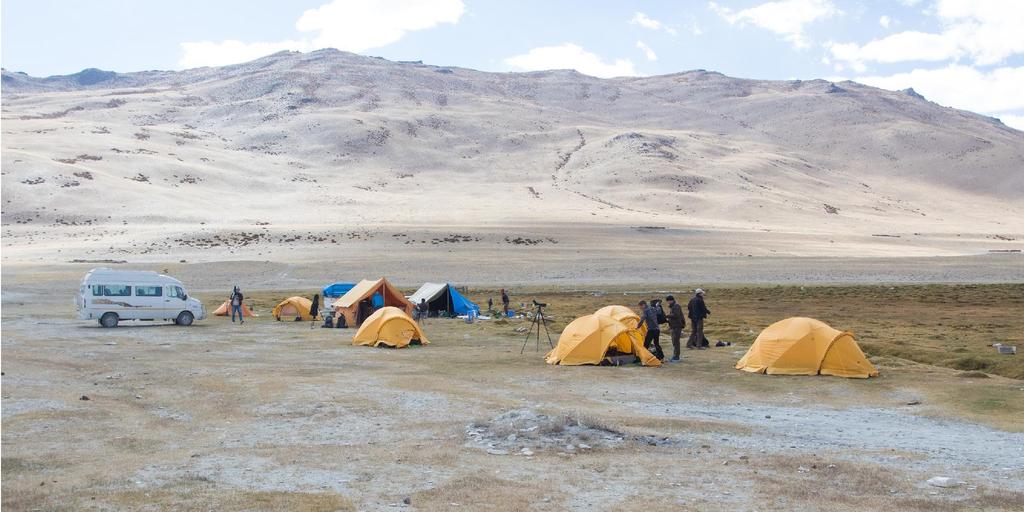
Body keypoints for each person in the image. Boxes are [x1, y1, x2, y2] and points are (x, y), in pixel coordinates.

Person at [665, 295, 686, 361]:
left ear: (671, 300)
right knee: (674, 342)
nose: (668, 303)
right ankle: (675, 355)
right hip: (674, 326)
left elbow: (676, 315)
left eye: (668, 301)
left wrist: (667, 316)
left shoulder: (676, 306)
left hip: (677, 326)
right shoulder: (673, 306)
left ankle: (676, 356)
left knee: (676, 342)